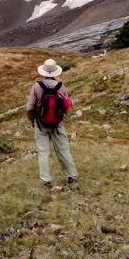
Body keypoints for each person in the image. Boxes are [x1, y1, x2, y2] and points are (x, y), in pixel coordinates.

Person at [26, 58, 78, 187]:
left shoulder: (37, 86)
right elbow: (65, 107)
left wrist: (33, 121)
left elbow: (30, 108)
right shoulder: (62, 87)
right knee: (64, 150)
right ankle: (72, 176)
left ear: (43, 72)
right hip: (58, 124)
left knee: (43, 152)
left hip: (41, 123)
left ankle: (46, 180)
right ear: (55, 72)